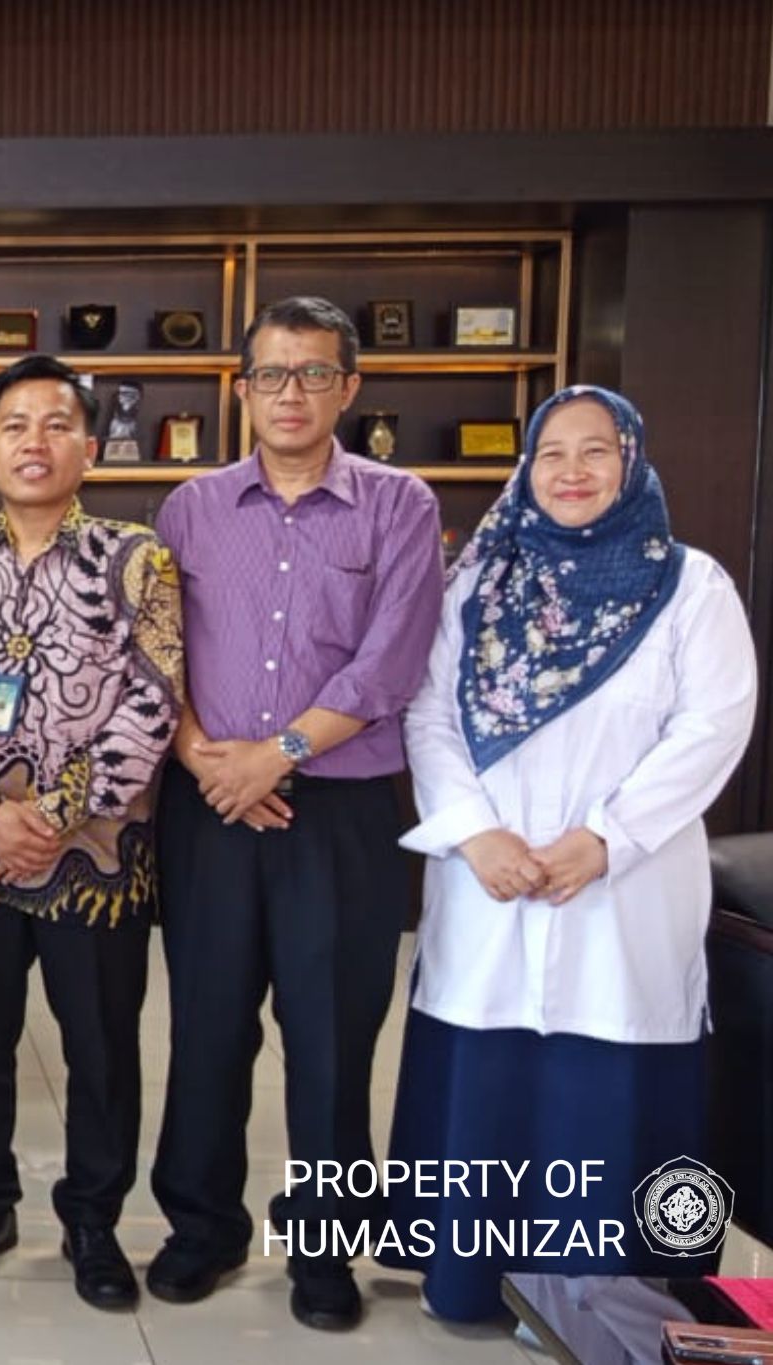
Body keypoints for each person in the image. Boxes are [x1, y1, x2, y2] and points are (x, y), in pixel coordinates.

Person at [379, 385, 755, 1321]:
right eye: (552, 453)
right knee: (487, 1077)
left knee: (613, 1089)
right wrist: (475, 832)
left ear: (632, 462)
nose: (572, 471)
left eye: (596, 451)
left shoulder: (692, 586)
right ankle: (469, 1282)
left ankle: (615, 1306)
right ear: (527, 469)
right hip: (490, 878)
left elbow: (713, 726)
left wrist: (605, 839)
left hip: (624, 887)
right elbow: (428, 716)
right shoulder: (475, 586)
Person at [149, 296, 444, 1330]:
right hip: (208, 806)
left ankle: (323, 1245)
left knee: (331, 1036)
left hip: (340, 810)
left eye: (314, 373)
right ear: (242, 389)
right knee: (205, 1026)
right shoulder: (188, 509)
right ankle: (201, 1227)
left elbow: (391, 660)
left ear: (348, 388)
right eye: (271, 374)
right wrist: (204, 759)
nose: (291, 393)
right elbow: (158, 654)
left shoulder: (399, 504)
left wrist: (275, 755)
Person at [0, 356, 183, 1311]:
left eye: (57, 424)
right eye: (13, 425)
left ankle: (93, 1219)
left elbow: (152, 699)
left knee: (100, 1046)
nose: (35, 442)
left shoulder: (135, 558)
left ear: (90, 448)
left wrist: (58, 816)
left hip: (95, 854)